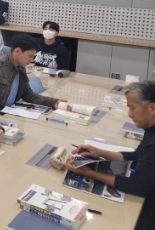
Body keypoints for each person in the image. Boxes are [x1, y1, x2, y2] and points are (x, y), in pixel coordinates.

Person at [66, 80, 155, 229]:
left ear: (152, 108)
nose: (129, 114)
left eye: (132, 108)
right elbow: (137, 156)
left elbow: (139, 186)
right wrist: (101, 153)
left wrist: (88, 172)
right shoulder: (150, 127)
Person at [0, 34, 64, 117]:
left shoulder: (20, 68)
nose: (31, 60)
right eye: (30, 56)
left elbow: (28, 94)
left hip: (9, 114)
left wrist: (53, 102)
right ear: (17, 51)